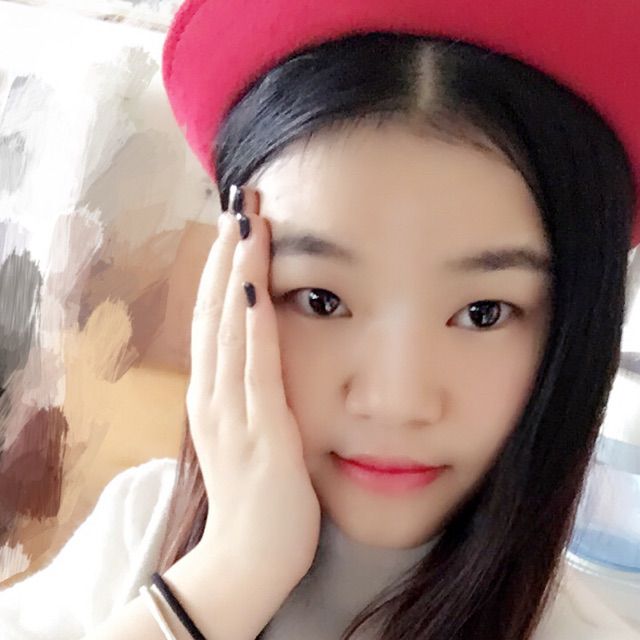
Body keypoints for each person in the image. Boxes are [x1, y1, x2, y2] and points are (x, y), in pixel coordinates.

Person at [1, 0, 640, 638]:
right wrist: (227, 577)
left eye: (483, 313)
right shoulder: (138, 529)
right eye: (320, 300)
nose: (395, 402)